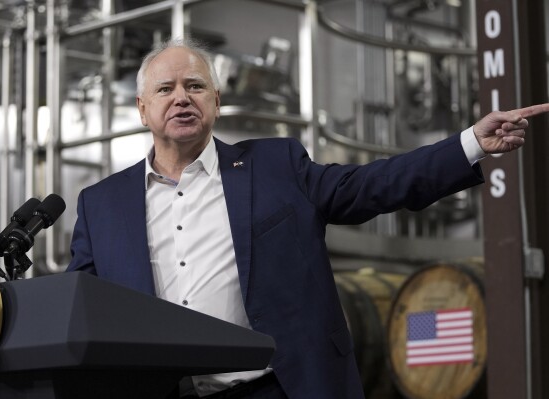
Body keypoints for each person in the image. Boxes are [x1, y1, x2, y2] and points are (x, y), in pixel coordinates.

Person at [66, 38, 549, 399]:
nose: (181, 97)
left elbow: (372, 185)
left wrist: (469, 143)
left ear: (216, 101)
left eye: (195, 86)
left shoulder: (276, 166)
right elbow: (79, 313)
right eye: (165, 89)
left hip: (278, 388)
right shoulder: (100, 204)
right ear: (142, 109)